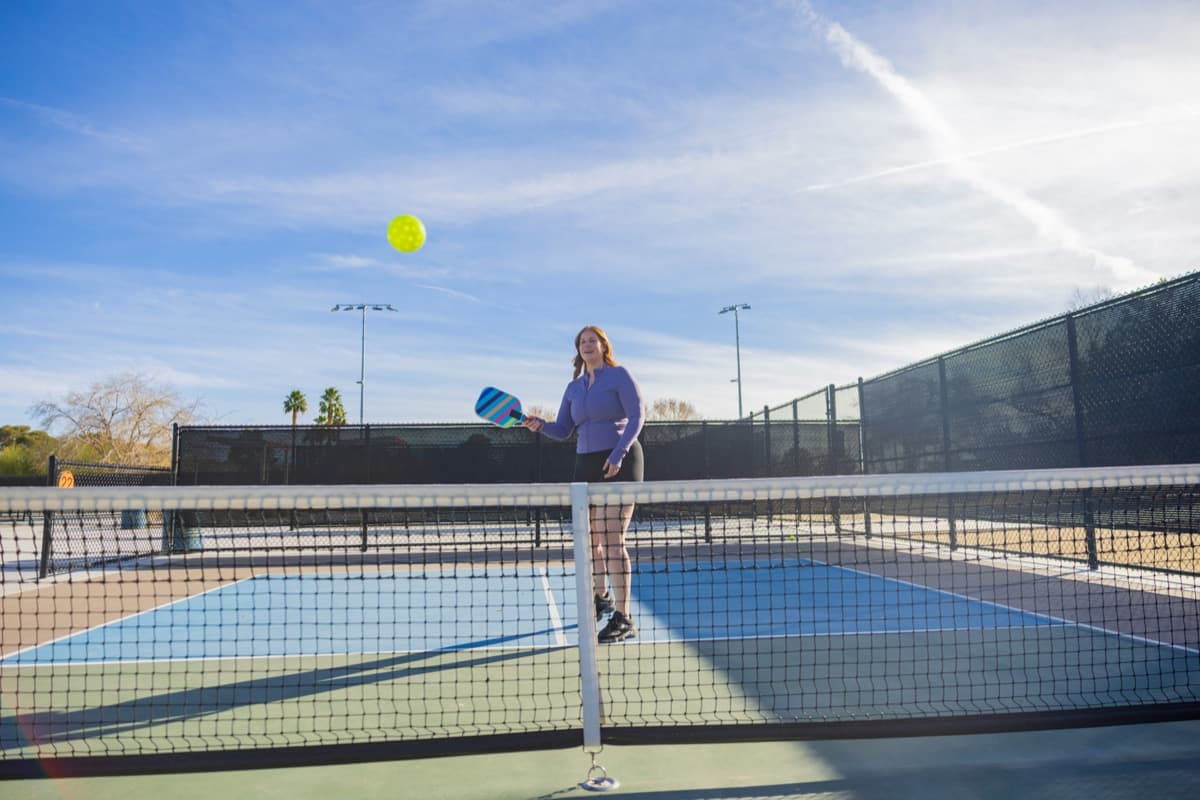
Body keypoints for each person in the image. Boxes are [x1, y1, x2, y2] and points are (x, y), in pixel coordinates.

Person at [522, 325, 645, 643]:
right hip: (585, 463)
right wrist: (539, 425)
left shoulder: (620, 377)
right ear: (578, 350)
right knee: (589, 540)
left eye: (593, 341)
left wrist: (619, 454)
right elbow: (562, 429)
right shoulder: (573, 388)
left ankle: (624, 617)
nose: (587, 345)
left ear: (604, 346)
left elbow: (637, 416)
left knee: (612, 538)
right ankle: (601, 597)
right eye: (582, 342)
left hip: (619, 459)